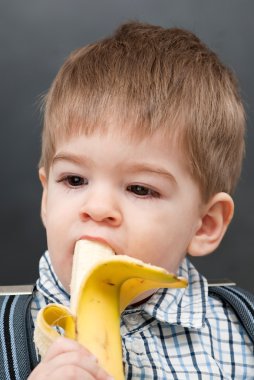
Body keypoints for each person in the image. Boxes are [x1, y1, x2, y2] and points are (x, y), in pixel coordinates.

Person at [26, 21, 254, 378]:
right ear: (46, 198)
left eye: (140, 189)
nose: (97, 208)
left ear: (205, 224)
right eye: (74, 179)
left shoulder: (243, 341)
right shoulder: (5, 337)